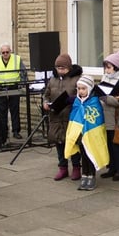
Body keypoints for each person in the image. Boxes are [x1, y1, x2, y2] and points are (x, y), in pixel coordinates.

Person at [42, 53, 83, 182]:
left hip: (71, 116)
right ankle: (62, 168)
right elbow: (47, 94)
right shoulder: (52, 79)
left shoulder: (76, 79)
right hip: (56, 116)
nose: (60, 71)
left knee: (73, 142)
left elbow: (82, 95)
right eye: (58, 68)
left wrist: (72, 100)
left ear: (69, 67)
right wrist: (45, 103)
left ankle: (76, 167)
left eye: (63, 68)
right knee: (59, 142)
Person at [65, 75, 109, 191]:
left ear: (89, 88)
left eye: (83, 88)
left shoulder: (94, 101)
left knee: (91, 154)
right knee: (83, 155)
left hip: (92, 133)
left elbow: (96, 118)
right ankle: (84, 175)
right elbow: (74, 116)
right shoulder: (77, 101)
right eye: (79, 89)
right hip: (80, 133)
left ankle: (92, 176)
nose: (81, 91)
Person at [98, 51, 119, 181]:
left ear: (116, 66)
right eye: (105, 67)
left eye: (109, 67)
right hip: (104, 115)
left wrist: (104, 98)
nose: (107, 70)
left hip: (116, 117)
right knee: (108, 144)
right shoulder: (105, 76)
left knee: (116, 143)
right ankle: (112, 168)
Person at [0, 43, 27, 139]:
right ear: (0, 53)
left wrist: (22, 83)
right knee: (1, 112)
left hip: (14, 87)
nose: (5, 54)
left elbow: (23, 72)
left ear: (10, 51)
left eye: (7, 52)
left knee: (15, 110)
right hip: (0, 88)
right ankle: (3, 132)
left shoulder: (17, 59)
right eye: (3, 52)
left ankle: (16, 131)